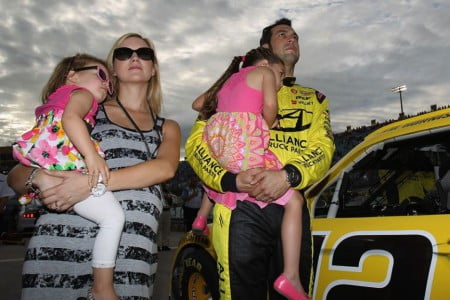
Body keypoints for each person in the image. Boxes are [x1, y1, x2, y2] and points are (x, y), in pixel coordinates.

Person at [7, 33, 181, 300]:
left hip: (133, 259)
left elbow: (165, 168)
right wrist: (40, 178)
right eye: (124, 53)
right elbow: (16, 174)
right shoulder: (83, 110)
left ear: (154, 68)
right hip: (59, 249)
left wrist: (88, 183)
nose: (135, 57)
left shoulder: (166, 127)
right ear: (111, 69)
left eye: (144, 54)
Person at [185, 18, 335, 299]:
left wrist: (287, 176)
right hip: (239, 208)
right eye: (283, 34)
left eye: (296, 36)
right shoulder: (232, 88)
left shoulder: (314, 98)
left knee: (291, 291)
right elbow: (196, 145)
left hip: (290, 202)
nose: (292, 39)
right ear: (264, 48)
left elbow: (324, 148)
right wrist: (230, 180)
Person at [11, 53, 125, 300]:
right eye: (102, 75)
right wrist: (92, 156)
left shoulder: (56, 100)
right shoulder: (81, 95)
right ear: (72, 75)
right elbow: (71, 118)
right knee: (113, 218)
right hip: (66, 164)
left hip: (47, 162)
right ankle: (103, 287)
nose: (107, 84)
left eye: (111, 84)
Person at [157, 184, 174, 251]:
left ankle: (165, 245)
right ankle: (157, 245)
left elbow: (171, 203)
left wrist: (169, 198)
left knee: (166, 229)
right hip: (160, 211)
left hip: (167, 210)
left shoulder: (167, 191)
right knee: (158, 230)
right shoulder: (157, 191)